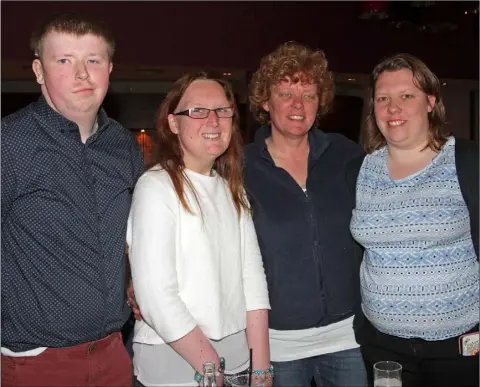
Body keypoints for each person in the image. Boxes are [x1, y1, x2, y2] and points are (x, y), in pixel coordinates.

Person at [1, 13, 144, 387]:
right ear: (38, 70)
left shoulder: (123, 146)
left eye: (93, 60)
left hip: (115, 353)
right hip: (36, 364)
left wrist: (135, 281)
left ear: (109, 68)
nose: (82, 74)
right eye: (64, 60)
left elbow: (132, 236)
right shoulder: (8, 144)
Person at [126, 72, 271, 387]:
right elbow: (156, 298)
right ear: (173, 124)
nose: (214, 121)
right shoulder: (156, 187)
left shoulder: (233, 189)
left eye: (222, 111)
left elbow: (253, 283)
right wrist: (212, 369)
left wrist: (261, 370)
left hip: (236, 358)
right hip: (174, 360)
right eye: (197, 111)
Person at [347, 53, 479, 387]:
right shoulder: (357, 172)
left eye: (407, 96)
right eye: (383, 98)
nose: (393, 108)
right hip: (383, 346)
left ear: (431, 101)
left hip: (459, 347)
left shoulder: (466, 161)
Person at [244, 42, 367, 386]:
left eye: (309, 95)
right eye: (286, 94)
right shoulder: (241, 166)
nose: (298, 105)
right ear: (266, 102)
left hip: (348, 339)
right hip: (277, 345)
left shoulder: (345, 154)